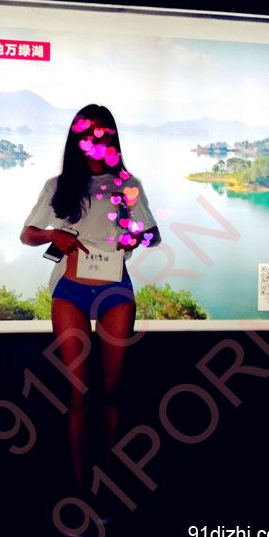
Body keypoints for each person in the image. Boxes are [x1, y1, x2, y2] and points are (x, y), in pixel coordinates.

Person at [20, 104, 161, 503]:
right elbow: (27, 234)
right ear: (76, 138)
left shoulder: (128, 184)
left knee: (111, 393)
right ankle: (81, 487)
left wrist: (135, 235)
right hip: (71, 291)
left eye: (102, 132)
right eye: (87, 132)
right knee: (78, 395)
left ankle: (108, 482)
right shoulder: (58, 185)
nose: (94, 139)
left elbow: (154, 235)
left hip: (116, 291)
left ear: (112, 137)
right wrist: (54, 235)